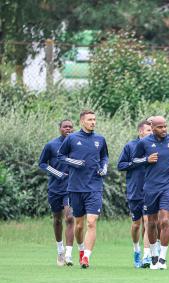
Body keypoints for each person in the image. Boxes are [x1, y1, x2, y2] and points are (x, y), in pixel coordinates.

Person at [58, 110, 109, 268]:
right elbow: (60, 156)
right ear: (82, 122)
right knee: (79, 224)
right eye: (89, 120)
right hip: (76, 187)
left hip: (94, 186)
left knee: (92, 222)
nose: (93, 122)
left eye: (94, 119)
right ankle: (80, 249)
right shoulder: (72, 138)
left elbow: (104, 157)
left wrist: (104, 167)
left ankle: (86, 257)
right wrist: (73, 162)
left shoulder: (100, 139)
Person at [133, 116, 169, 270]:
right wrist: (146, 160)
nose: (164, 129)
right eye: (160, 127)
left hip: (168, 186)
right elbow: (134, 160)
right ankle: (154, 255)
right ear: (152, 127)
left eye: (165, 126)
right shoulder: (144, 143)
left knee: (165, 221)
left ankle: (162, 259)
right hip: (150, 187)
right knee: (152, 223)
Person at [38, 119, 75, 266]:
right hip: (55, 188)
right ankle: (60, 250)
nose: (68, 129)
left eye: (71, 127)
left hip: (71, 188)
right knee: (58, 219)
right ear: (60, 128)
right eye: (65, 127)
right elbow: (42, 163)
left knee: (70, 218)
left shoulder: (76, 145)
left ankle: (68, 254)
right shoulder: (51, 145)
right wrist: (56, 173)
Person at [117, 120, 153, 268]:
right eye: (148, 130)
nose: (151, 133)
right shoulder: (130, 146)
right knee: (136, 224)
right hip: (134, 190)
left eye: (152, 130)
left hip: (150, 191)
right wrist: (143, 161)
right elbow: (121, 165)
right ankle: (136, 249)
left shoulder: (155, 146)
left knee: (148, 222)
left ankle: (146, 256)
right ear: (141, 132)